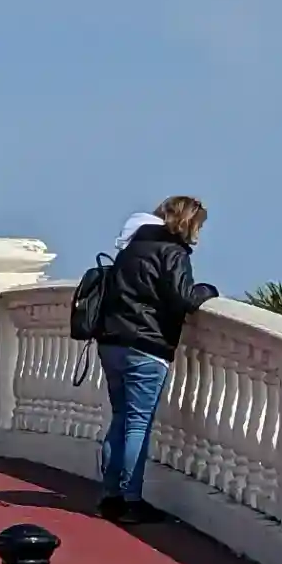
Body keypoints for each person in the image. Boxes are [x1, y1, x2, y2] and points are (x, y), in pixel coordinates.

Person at [94, 196, 218, 524]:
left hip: (111, 342)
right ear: (189, 223)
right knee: (138, 422)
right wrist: (208, 290)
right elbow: (185, 298)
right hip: (146, 345)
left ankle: (111, 496)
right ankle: (131, 499)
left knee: (120, 418)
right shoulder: (172, 253)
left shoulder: (132, 248)